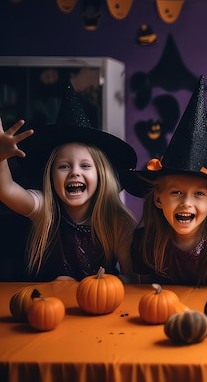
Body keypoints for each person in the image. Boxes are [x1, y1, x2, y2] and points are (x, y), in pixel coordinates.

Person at [0, 84, 137, 281]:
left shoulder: (117, 221)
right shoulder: (44, 209)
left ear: (101, 175)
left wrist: (106, 284)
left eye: (85, 166)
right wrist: (1, 158)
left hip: (101, 302)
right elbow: (6, 189)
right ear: (51, 175)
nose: (74, 172)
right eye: (64, 166)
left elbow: (130, 276)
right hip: (49, 304)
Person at [125, 76, 207, 286]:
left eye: (199, 193)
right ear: (157, 199)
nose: (186, 203)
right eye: (176, 192)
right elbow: (143, 295)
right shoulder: (144, 242)